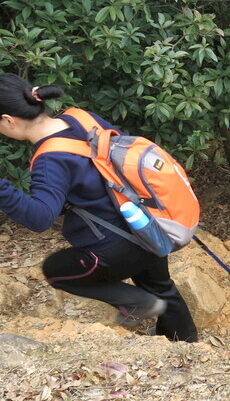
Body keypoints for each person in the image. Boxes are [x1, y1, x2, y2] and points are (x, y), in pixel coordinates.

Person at [0, 75, 198, 341]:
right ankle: (187, 346)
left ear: (9, 120)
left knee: (56, 271)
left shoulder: (50, 160)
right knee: (162, 287)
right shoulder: (81, 118)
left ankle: (137, 302)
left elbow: (39, 219)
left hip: (117, 246)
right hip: (148, 224)